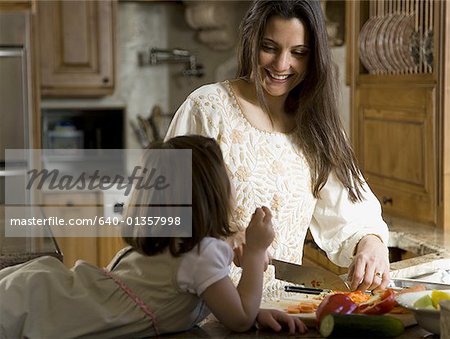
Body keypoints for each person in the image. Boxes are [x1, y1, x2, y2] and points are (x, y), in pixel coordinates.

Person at [165, 0, 390, 296]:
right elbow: (163, 215)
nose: (282, 65)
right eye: (270, 47)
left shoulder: (318, 128)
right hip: (204, 308)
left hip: (282, 312)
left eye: (298, 52)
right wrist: (226, 240)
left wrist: (372, 243)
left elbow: (354, 215)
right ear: (251, 42)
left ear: (313, 58)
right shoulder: (207, 108)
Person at [0, 135, 307, 338]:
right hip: (48, 303)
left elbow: (229, 307)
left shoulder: (173, 245)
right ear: (211, 192)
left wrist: (254, 311)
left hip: (50, 293)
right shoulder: (202, 253)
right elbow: (238, 319)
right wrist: (254, 252)